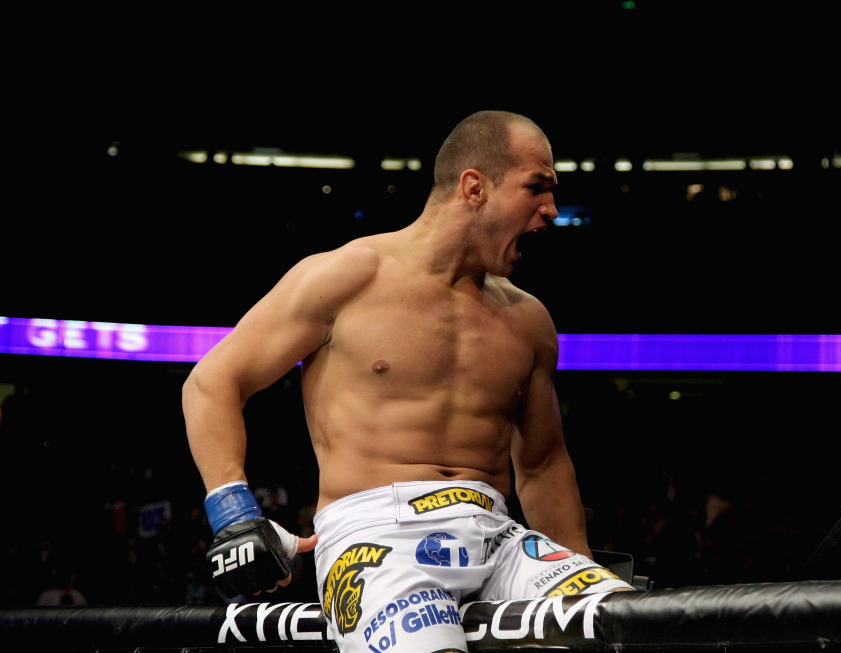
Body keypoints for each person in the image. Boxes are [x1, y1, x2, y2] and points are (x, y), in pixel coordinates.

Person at [182, 110, 633, 653]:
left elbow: (541, 463)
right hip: (376, 538)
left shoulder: (528, 320)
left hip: (500, 538)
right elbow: (212, 383)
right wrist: (233, 517)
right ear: (474, 187)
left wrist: (576, 569)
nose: (551, 212)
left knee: (626, 631)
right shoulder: (348, 277)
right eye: (537, 188)